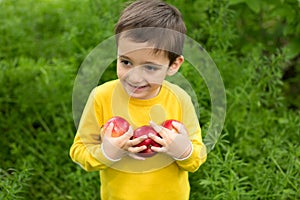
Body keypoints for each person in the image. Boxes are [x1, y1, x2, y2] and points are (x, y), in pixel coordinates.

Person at [70, 0, 207, 199]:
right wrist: (107, 152)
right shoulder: (101, 97)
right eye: (126, 62)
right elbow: (78, 151)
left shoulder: (179, 99)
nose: (134, 77)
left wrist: (183, 151)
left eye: (150, 68)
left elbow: (197, 157)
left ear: (173, 65)